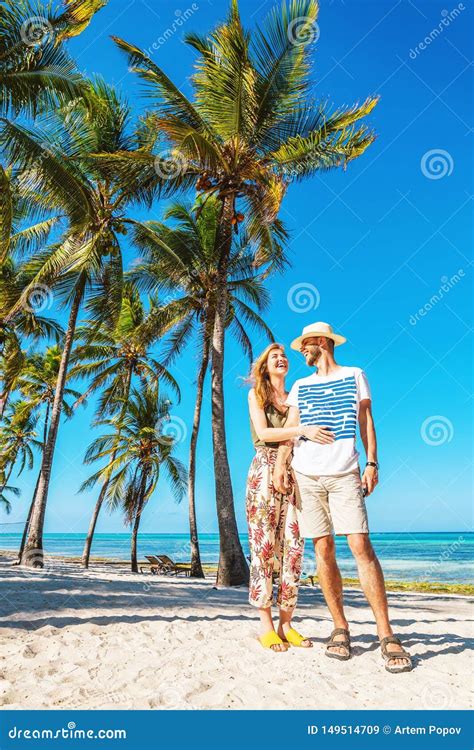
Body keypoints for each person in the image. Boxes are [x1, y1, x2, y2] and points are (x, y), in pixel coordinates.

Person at [273, 322, 413, 673]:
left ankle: (385, 631)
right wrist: (280, 465)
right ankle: (341, 626)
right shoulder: (301, 386)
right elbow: (291, 430)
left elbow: (366, 420)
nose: (302, 352)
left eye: (306, 345)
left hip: (345, 472)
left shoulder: (354, 374)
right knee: (322, 548)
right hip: (306, 476)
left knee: (360, 546)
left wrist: (372, 462)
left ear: (321, 343)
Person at [246, 343, 324, 652]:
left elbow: (292, 438)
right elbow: (265, 434)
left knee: (294, 547)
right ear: (265, 366)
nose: (281, 359)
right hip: (263, 469)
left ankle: (286, 623)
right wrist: (302, 430)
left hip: (295, 470)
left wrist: (296, 436)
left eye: (284, 356)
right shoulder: (256, 395)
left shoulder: (295, 397)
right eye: (274, 357)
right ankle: (265, 624)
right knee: (263, 546)